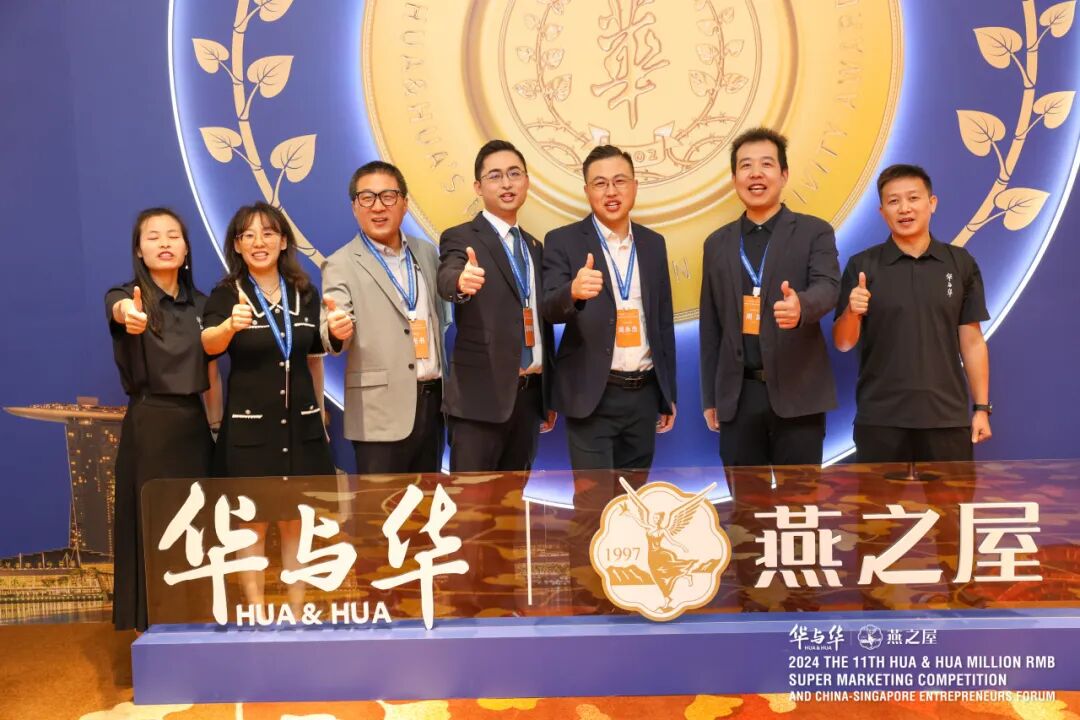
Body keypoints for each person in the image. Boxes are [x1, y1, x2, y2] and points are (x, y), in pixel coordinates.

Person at [201, 201, 334, 613]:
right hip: (250, 431)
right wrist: (228, 327)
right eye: (249, 235)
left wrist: (320, 416)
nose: (259, 242)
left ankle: (297, 612)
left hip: (301, 428)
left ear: (283, 241)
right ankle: (256, 612)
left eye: (269, 233)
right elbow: (207, 346)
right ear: (237, 246)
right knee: (251, 523)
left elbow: (313, 358)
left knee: (297, 521)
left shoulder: (305, 293)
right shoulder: (226, 295)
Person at [106, 207, 221, 632]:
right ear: (139, 250)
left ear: (187, 248)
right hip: (149, 423)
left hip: (193, 426)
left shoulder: (203, 304)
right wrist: (129, 315)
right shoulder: (126, 295)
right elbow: (120, 311)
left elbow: (212, 374)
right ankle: (148, 627)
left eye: (173, 235)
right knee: (152, 525)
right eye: (153, 237)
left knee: (197, 528)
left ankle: (194, 622)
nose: (165, 243)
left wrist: (215, 426)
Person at [699, 127, 840, 467]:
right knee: (746, 500)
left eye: (766, 164)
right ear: (734, 178)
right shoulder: (717, 243)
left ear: (784, 174)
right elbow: (711, 326)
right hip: (738, 396)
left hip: (799, 392)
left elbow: (828, 286)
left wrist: (802, 306)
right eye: (746, 166)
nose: (756, 173)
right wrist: (711, 397)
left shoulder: (814, 231)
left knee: (798, 497)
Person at [833, 164, 992, 462]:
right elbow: (843, 342)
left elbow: (972, 342)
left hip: (946, 417)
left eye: (913, 198)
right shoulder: (862, 265)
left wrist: (981, 408)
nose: (904, 209)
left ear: (932, 203)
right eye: (893, 201)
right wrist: (852, 312)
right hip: (880, 419)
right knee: (877, 496)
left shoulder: (960, 263)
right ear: (882, 212)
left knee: (950, 496)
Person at [542, 145, 677, 472]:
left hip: (644, 393)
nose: (611, 191)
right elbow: (549, 308)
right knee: (593, 498)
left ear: (635, 186)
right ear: (587, 190)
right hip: (591, 395)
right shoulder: (563, 241)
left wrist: (667, 392)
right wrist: (572, 293)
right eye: (600, 183)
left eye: (620, 181)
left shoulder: (653, 243)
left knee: (635, 496)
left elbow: (662, 322)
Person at [436, 140, 556, 472]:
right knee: (471, 502)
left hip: (529, 398)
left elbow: (541, 319)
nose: (506, 184)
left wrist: (547, 395)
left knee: (514, 500)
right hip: (479, 401)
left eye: (514, 174)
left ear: (526, 181)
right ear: (478, 187)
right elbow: (448, 275)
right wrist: (461, 282)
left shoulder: (534, 246)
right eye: (495, 176)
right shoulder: (461, 237)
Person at [321, 161, 448, 474]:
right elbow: (332, 328)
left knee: (427, 502)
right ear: (354, 207)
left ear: (405, 203)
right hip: (378, 413)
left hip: (433, 403)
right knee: (381, 504)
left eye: (388, 196)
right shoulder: (340, 263)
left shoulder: (427, 253)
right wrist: (336, 331)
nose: (378, 207)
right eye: (367, 198)